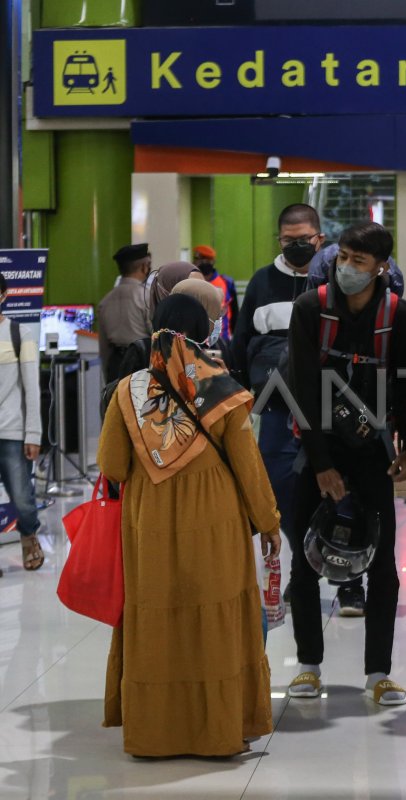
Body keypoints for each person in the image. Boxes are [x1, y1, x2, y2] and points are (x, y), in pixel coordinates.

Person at [96, 293, 282, 757]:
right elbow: (248, 466)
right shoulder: (224, 388)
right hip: (215, 517)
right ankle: (218, 730)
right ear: (203, 334)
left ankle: (155, 734)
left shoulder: (128, 390)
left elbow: (113, 466)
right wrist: (268, 521)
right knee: (215, 620)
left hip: (150, 519)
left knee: (156, 618)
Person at [285, 221, 406, 706]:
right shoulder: (310, 307)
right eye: (343, 258)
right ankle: (308, 667)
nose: (347, 268)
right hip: (318, 448)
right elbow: (301, 388)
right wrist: (320, 463)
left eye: (359, 261)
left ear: (381, 266)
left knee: (382, 567)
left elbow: (405, 387)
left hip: (373, 454)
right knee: (305, 560)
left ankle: (378, 673)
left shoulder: (397, 315)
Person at [233, 205, 344, 609]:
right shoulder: (262, 282)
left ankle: (347, 577)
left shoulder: (336, 276)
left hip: (330, 409)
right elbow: (243, 342)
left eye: (305, 239)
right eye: (288, 240)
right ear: (279, 239)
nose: (298, 247)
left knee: (338, 490)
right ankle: (304, 574)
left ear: (320, 236)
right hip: (276, 408)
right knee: (282, 491)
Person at [0, 276, 43, 571]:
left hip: (12, 430)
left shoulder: (20, 333)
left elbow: (32, 387)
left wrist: (33, 433)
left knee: (21, 497)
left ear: (4, 295)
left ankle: (29, 537)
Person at [112, 262, 203, 381]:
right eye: (192, 290)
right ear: (167, 293)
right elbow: (128, 397)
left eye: (204, 288)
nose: (201, 297)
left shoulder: (213, 345)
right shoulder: (143, 354)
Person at [96, 243, 152, 382]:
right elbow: (155, 335)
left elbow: (104, 349)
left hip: (116, 365)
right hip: (142, 364)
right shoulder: (147, 297)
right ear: (144, 267)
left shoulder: (106, 301)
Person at [193, 245, 239, 342]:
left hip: (223, 340)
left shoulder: (226, 282)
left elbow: (235, 314)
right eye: (196, 259)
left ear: (212, 262)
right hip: (197, 341)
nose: (196, 263)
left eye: (200, 259)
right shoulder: (191, 283)